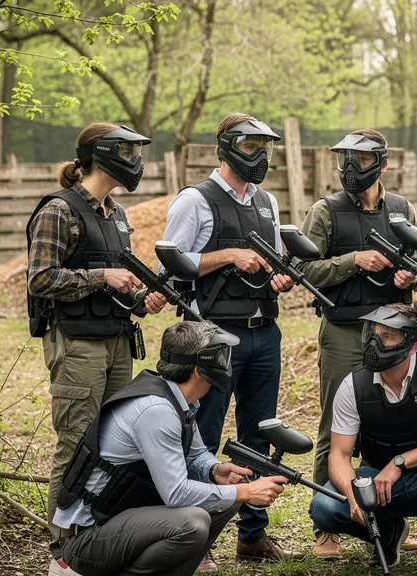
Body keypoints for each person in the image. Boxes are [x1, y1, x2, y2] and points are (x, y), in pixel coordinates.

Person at [26, 122, 167, 576]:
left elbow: (117, 286)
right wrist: (102, 276)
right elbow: (40, 279)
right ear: (101, 154)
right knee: (75, 445)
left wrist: (144, 301)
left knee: (109, 446)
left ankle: (94, 537)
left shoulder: (117, 214)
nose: (135, 160)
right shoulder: (60, 211)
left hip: (116, 341)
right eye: (127, 151)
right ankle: (61, 553)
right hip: (77, 345)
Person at [160, 113, 300, 568]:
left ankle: (252, 535)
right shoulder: (194, 200)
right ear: (225, 147)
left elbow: (272, 263)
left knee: (259, 438)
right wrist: (227, 255)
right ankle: (190, 539)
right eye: (249, 145)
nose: (258, 155)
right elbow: (170, 267)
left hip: (264, 333)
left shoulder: (267, 203)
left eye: (264, 146)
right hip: (213, 336)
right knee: (201, 435)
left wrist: (280, 278)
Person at [52, 321, 291, 576]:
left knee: (225, 497)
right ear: (199, 369)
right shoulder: (157, 411)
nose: (225, 363)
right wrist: (244, 491)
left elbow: (196, 455)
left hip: (117, 523)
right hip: (86, 540)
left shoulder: (176, 399)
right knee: (193, 524)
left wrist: (214, 470)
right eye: (221, 356)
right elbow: (176, 493)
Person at [295, 129, 417, 558]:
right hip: (345, 332)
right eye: (345, 159)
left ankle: (396, 523)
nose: (351, 168)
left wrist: (410, 276)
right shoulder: (326, 211)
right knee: (335, 425)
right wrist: (353, 261)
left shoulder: (401, 209)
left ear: (382, 164)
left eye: (361, 159)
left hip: (392, 334)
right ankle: (327, 526)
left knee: (398, 425)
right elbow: (302, 269)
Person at [308, 304, 417, 576]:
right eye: (373, 333)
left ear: (412, 346)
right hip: (378, 485)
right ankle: (388, 534)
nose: (376, 342)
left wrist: (399, 464)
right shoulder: (353, 385)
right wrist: (353, 497)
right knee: (324, 507)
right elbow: (339, 455)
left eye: (388, 336)